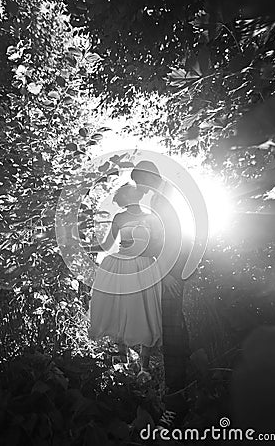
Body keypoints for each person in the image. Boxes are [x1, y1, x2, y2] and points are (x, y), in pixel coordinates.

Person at [131, 160, 191, 426]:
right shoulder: (163, 196)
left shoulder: (163, 200)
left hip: (173, 272)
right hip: (176, 269)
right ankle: (186, 390)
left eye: (139, 182)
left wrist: (167, 273)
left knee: (173, 334)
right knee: (176, 331)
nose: (138, 188)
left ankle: (176, 405)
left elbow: (174, 237)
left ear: (149, 177)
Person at [84, 183, 163, 378]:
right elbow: (106, 245)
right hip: (121, 264)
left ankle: (144, 368)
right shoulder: (119, 218)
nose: (126, 200)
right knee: (120, 308)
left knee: (145, 310)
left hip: (143, 266)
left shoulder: (152, 217)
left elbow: (158, 245)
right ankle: (123, 360)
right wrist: (84, 247)